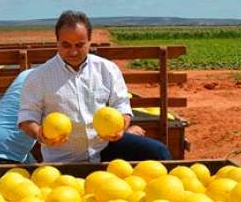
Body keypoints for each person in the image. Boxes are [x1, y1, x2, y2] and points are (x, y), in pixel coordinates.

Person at [18, 10, 172, 163]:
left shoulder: (107, 69)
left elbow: (122, 106)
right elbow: (27, 117)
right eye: (66, 45)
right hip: (64, 156)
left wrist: (121, 128)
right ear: (57, 41)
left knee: (158, 152)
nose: (73, 51)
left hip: (105, 147)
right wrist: (39, 133)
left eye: (80, 45)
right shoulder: (38, 76)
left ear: (90, 42)